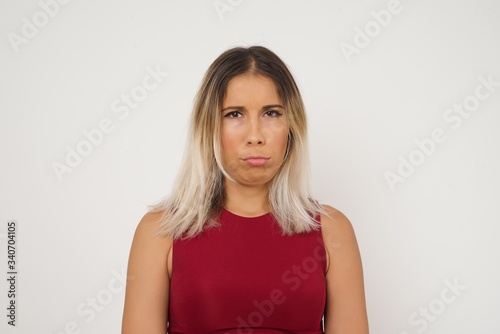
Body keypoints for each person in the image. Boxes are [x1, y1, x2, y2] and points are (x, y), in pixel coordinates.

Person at [121, 46, 369, 334]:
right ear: (209, 126)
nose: (255, 136)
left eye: (271, 113)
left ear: (292, 125)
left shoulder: (332, 230)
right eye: (234, 114)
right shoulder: (160, 232)